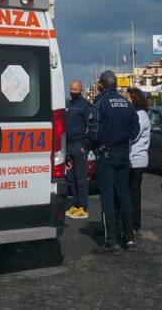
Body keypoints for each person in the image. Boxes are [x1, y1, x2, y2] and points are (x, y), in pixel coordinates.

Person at [88, 71, 140, 254]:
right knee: (124, 195)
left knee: (108, 196)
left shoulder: (100, 104)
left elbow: (94, 133)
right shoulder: (127, 104)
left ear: (102, 85)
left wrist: (93, 145)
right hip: (123, 155)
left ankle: (111, 241)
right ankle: (130, 239)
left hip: (106, 156)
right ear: (116, 85)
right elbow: (135, 132)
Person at [124, 88, 151, 233]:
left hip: (136, 160)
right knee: (133, 192)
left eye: (127, 98)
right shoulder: (138, 115)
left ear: (134, 99)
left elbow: (133, 136)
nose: (125, 101)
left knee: (133, 193)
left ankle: (134, 223)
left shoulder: (140, 116)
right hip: (134, 159)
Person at [65, 80, 91, 219]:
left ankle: (83, 206)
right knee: (71, 178)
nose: (73, 91)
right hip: (67, 146)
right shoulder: (67, 104)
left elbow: (91, 127)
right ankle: (75, 204)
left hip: (79, 145)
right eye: (71, 88)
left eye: (76, 89)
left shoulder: (85, 105)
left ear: (80, 90)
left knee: (80, 178)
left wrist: (84, 146)